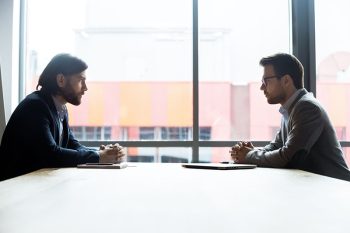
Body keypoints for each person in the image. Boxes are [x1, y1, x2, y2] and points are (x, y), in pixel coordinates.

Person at [0, 53, 125, 181]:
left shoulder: (60, 108)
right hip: (14, 188)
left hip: (36, 183)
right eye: (81, 80)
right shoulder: (36, 106)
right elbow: (51, 154)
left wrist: (103, 153)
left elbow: (72, 145)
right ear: (61, 80)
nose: (85, 88)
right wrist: (98, 156)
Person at [230, 53, 350, 182]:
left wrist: (249, 155)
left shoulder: (307, 108)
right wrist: (249, 151)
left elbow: (290, 157)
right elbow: (276, 146)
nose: (261, 87)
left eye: (266, 81)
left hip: (337, 190)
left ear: (286, 80)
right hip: (317, 188)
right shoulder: (291, 108)